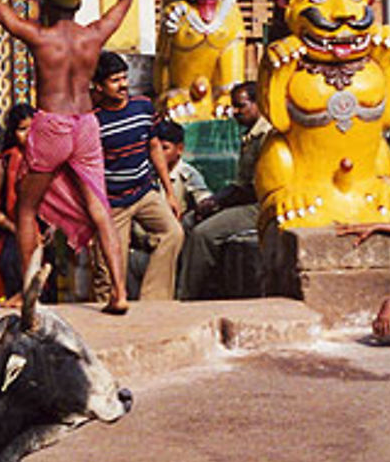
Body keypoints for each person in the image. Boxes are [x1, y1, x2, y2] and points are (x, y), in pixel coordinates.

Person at [0, 0, 133, 312]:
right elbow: (125, 2)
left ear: (47, 3)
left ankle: (26, 291)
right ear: (79, 3)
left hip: (51, 125)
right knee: (100, 209)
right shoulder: (94, 36)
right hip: (86, 125)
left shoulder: (40, 37)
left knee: (26, 209)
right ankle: (119, 292)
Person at [91, 51, 183, 302]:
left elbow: (154, 147)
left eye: (124, 78)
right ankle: (104, 326)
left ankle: (153, 302)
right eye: (114, 80)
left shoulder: (142, 107)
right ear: (98, 86)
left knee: (173, 233)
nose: (123, 85)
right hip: (113, 204)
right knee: (108, 271)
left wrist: (169, 193)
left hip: (144, 193)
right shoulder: (92, 121)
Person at [177, 81, 272, 301]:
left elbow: (251, 189)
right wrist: (214, 201)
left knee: (204, 234)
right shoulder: (250, 135)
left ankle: (190, 296)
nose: (236, 112)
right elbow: (240, 183)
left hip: (260, 206)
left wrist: (218, 203)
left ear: (258, 104)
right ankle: (187, 283)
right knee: (189, 221)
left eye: (241, 106)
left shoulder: (267, 135)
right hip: (244, 199)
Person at [0, 102, 35, 303]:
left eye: (32, 128)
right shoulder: (3, 162)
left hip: (39, 238)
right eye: (22, 129)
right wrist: (14, 228)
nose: (28, 135)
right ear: (13, 132)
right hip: (11, 239)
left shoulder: (45, 160)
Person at [156, 119, 213, 221]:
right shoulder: (148, 174)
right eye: (156, 149)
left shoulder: (187, 174)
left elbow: (204, 199)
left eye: (164, 148)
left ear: (179, 149)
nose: (159, 154)